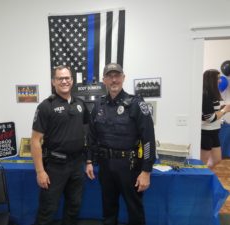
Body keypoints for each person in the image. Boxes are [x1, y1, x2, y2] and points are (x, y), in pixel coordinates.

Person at [86, 63, 156, 225]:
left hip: (129, 166)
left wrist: (146, 171)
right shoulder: (98, 105)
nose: (114, 80)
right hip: (105, 166)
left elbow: (148, 139)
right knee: (108, 210)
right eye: (109, 76)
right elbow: (92, 136)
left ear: (123, 78)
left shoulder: (136, 104)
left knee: (134, 210)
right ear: (104, 80)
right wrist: (89, 160)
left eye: (117, 75)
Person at [31, 65, 90, 225]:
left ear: (72, 80)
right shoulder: (45, 106)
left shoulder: (80, 104)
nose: (64, 81)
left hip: (77, 164)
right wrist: (40, 171)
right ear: (53, 82)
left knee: (74, 207)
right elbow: (35, 141)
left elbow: (87, 133)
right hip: (55, 167)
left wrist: (89, 161)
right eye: (60, 78)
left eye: (67, 78)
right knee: (47, 209)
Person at [201, 69, 230, 168]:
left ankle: (206, 175)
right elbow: (210, 118)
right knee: (202, 163)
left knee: (217, 160)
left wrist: (222, 108)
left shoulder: (212, 94)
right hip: (205, 132)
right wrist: (224, 110)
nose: (220, 80)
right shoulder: (205, 95)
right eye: (218, 78)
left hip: (214, 131)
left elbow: (211, 112)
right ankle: (201, 179)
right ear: (211, 80)